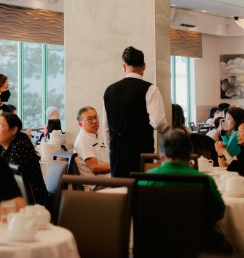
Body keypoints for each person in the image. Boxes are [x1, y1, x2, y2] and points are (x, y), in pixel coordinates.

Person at [140, 129, 226, 247]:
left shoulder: (145, 179)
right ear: (189, 154)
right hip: (198, 244)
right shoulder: (203, 180)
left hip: (154, 244)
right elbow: (219, 213)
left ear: (161, 155)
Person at [103, 46, 169, 177]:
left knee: (120, 194)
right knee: (142, 192)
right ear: (144, 66)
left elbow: (106, 126)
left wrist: (112, 150)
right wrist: (167, 130)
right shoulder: (150, 89)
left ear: (123, 67)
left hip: (117, 154)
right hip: (141, 153)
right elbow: (157, 122)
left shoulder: (109, 90)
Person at [0, 113, 49, 206]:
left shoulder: (20, 148)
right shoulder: (7, 148)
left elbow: (10, 182)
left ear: (14, 129)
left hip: (34, 203)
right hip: (21, 199)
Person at [73, 106, 110, 181]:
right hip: (98, 186)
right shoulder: (83, 139)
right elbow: (95, 168)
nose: (94, 121)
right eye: (89, 119)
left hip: (110, 179)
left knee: (139, 182)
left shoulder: (98, 135)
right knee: (136, 185)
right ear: (80, 124)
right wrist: (117, 167)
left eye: (95, 117)